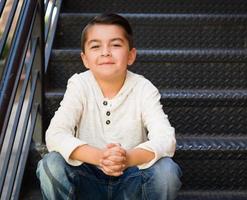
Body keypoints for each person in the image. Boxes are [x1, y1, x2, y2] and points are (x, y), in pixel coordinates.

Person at [36, 13, 182, 200]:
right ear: (85, 59)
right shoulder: (79, 84)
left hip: (131, 178)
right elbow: (55, 134)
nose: (105, 52)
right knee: (51, 164)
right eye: (96, 46)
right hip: (87, 178)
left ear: (131, 55)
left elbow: (165, 138)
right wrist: (100, 157)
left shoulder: (143, 88)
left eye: (115, 45)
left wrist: (127, 159)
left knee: (166, 171)